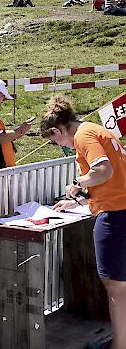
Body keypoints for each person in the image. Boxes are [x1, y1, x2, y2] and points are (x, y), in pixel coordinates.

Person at [41, 95, 126, 349]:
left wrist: (78, 184)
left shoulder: (82, 136)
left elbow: (103, 171)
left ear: (57, 130)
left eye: (55, 141)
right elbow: (116, 180)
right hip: (119, 208)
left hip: (114, 217)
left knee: (116, 290)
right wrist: (84, 201)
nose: (61, 147)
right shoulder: (97, 130)